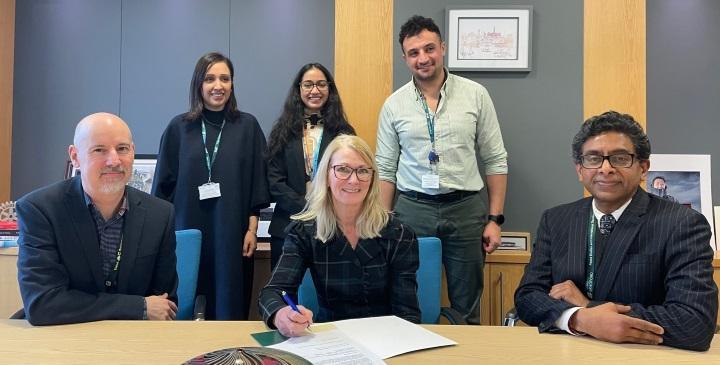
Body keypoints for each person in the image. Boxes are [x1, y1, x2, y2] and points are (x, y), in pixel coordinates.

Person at [514, 111, 718, 351]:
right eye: (593, 158)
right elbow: (527, 297)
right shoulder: (556, 219)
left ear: (643, 168)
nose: (606, 168)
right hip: (567, 351)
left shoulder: (682, 223)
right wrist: (579, 319)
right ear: (580, 169)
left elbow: (694, 323)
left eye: (620, 158)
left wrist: (590, 307)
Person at [375, 15, 508, 325]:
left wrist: (495, 220)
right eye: (414, 53)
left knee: (467, 301)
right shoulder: (394, 105)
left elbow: (496, 159)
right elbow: (385, 168)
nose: (423, 58)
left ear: (443, 48)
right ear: (405, 58)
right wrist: (383, 222)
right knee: (411, 297)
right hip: (413, 209)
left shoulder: (475, 95)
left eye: (429, 48)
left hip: (466, 210)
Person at [17, 113, 178, 325]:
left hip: (133, 342)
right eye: (99, 150)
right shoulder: (40, 210)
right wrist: (138, 306)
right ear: (75, 157)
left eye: (122, 149)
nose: (114, 160)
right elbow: (43, 304)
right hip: (61, 340)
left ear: (132, 152)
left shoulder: (161, 214)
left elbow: (165, 306)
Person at [259, 135, 421, 337]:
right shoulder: (305, 231)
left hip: (386, 339)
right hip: (330, 339)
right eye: (343, 169)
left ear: (372, 179)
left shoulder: (398, 234)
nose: (353, 180)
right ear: (326, 176)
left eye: (362, 171)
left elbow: (407, 314)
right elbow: (273, 292)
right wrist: (281, 315)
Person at [152, 52, 270, 320]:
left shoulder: (247, 126)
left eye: (225, 79)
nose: (218, 85)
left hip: (232, 235)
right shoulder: (178, 128)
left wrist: (252, 230)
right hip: (186, 234)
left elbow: (257, 186)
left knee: (229, 303)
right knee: (184, 303)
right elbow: (162, 190)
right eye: (210, 79)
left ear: (232, 84)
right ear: (198, 84)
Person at [266, 63, 356, 270]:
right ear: (299, 90)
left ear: (329, 89)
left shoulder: (343, 131)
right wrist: (306, 207)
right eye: (308, 85)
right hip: (286, 226)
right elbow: (274, 181)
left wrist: (323, 208)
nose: (314, 90)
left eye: (321, 84)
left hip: (332, 225)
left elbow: (350, 178)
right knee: (284, 295)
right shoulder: (282, 131)